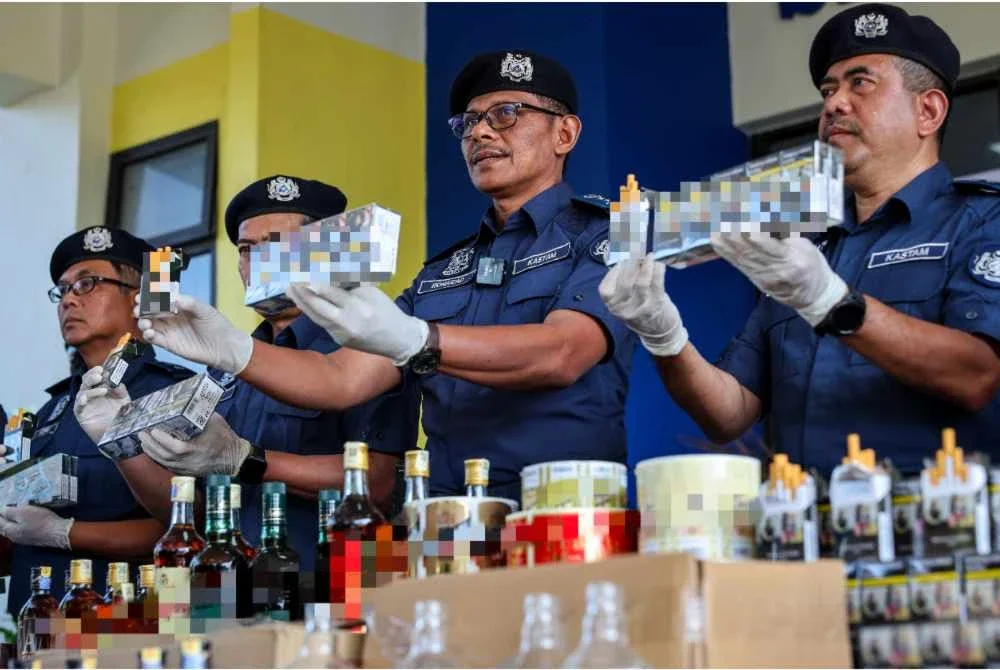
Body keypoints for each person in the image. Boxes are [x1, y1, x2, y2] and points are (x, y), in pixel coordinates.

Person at [136, 50, 636, 501]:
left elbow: (563, 353)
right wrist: (231, 348)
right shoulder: (443, 271)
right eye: (468, 122)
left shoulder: (612, 231)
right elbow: (341, 377)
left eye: (506, 114)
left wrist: (418, 338)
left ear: (564, 133)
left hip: (565, 502)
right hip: (449, 513)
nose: (481, 133)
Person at [599, 3, 1000, 478]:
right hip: (804, 534)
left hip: (934, 531)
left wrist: (833, 302)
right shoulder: (805, 247)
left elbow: (977, 375)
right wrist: (664, 336)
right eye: (828, 90)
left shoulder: (980, 221)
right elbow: (728, 413)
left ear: (928, 110)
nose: (833, 104)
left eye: (861, 83)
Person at [77, 177, 420, 572]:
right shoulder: (224, 368)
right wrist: (120, 441)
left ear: (326, 251)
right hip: (228, 589)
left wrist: (246, 459)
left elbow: (376, 485)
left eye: (275, 245)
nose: (255, 261)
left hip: (327, 586)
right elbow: (195, 510)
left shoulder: (365, 346)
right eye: (246, 249)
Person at [0, 226, 194, 614]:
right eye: (63, 290)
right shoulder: (51, 410)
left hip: (123, 617)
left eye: (87, 284)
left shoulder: (173, 394)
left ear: (139, 298)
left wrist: (64, 534)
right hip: (38, 619)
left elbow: (188, 526)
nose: (68, 301)